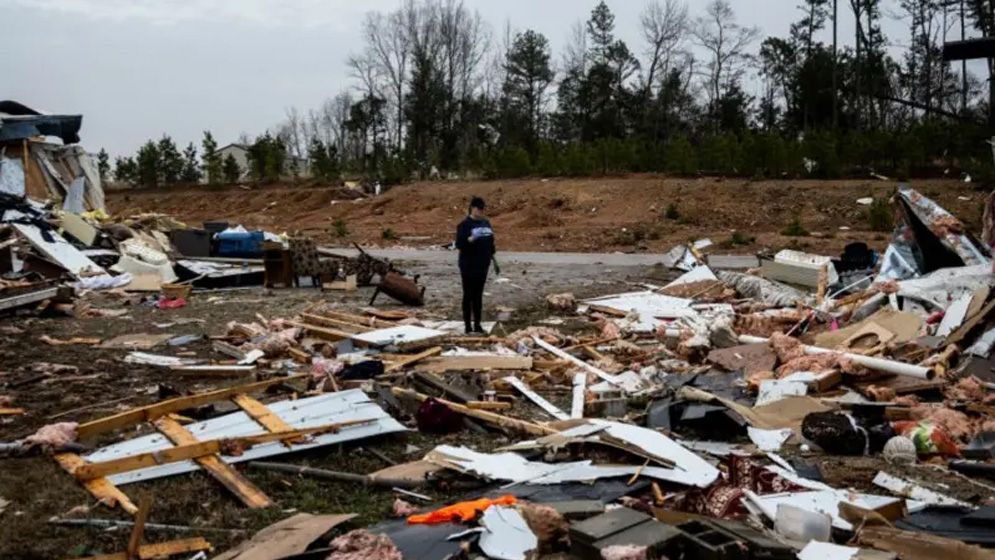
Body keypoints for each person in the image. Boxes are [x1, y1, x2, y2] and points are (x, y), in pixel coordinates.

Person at [455, 196, 499, 334]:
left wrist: (493, 257)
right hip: (468, 265)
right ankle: (468, 326)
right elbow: (459, 244)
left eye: (483, 209)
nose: (481, 212)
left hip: (482, 265)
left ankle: (478, 324)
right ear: (472, 208)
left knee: (478, 296)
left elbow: (491, 242)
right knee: (468, 295)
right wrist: (471, 238)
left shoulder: (486, 223)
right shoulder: (464, 225)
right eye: (479, 209)